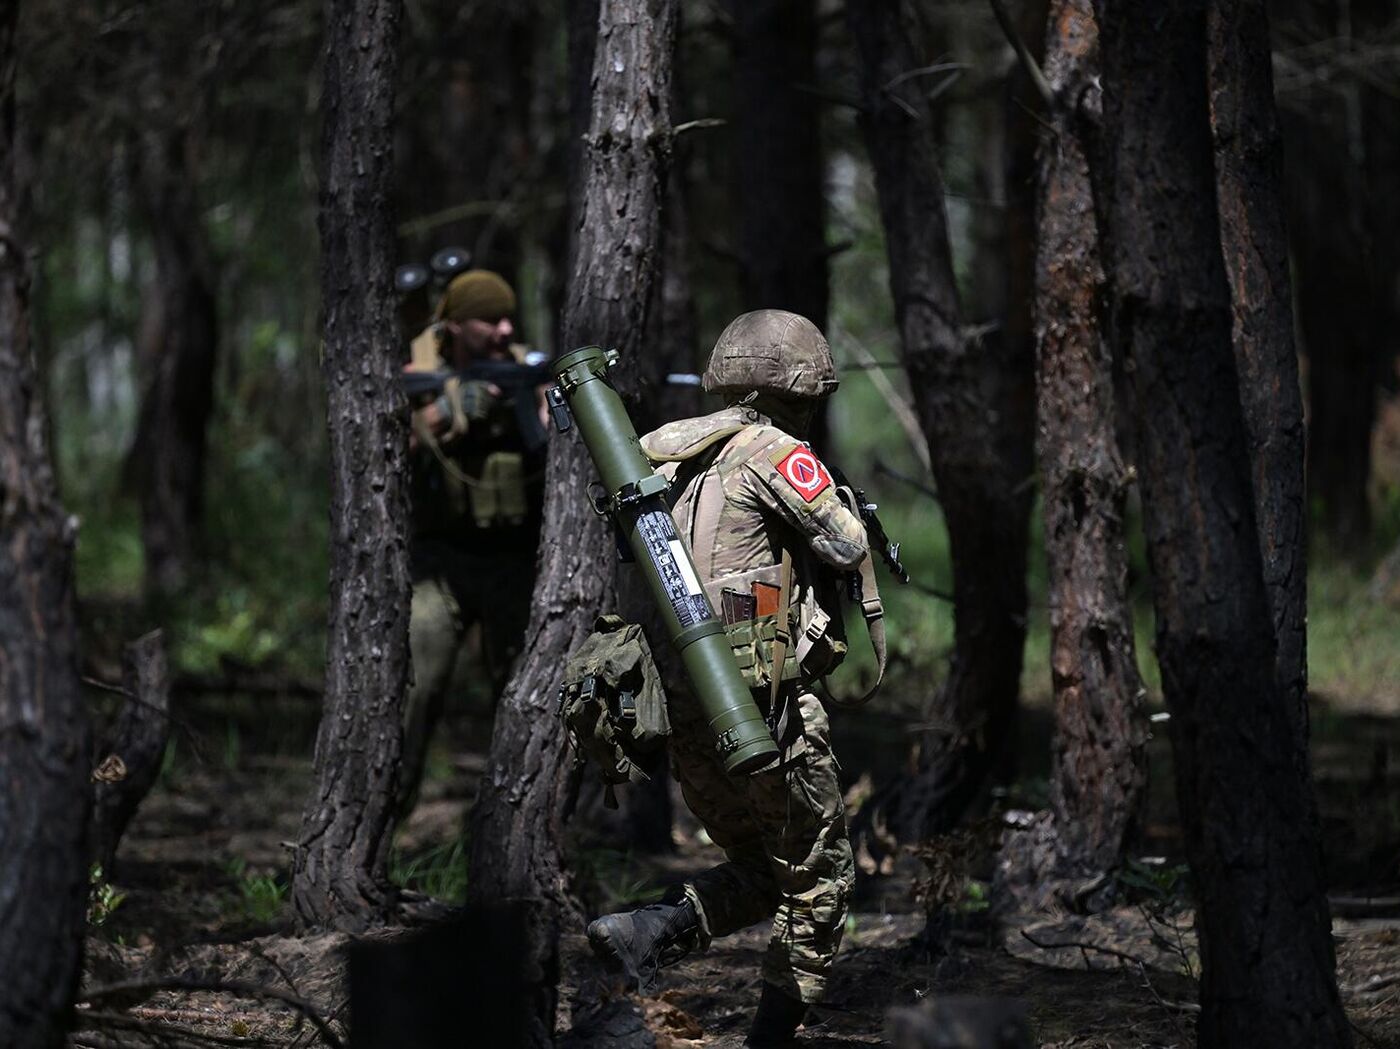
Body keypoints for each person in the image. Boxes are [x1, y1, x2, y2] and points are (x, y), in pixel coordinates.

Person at [586, 310, 873, 1047]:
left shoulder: (663, 450)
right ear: (803, 388)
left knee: (757, 865)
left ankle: (648, 928)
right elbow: (845, 544)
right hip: (766, 710)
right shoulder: (776, 451)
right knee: (821, 883)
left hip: (686, 706)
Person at [398, 269, 546, 816]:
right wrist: (456, 411)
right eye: (491, 319)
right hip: (441, 561)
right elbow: (399, 437)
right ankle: (386, 822)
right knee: (417, 688)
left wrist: (532, 409)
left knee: (523, 695)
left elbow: (556, 443)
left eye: (510, 317)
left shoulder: (527, 369)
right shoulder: (423, 373)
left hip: (515, 559)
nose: (506, 329)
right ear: (457, 326)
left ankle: (516, 826)